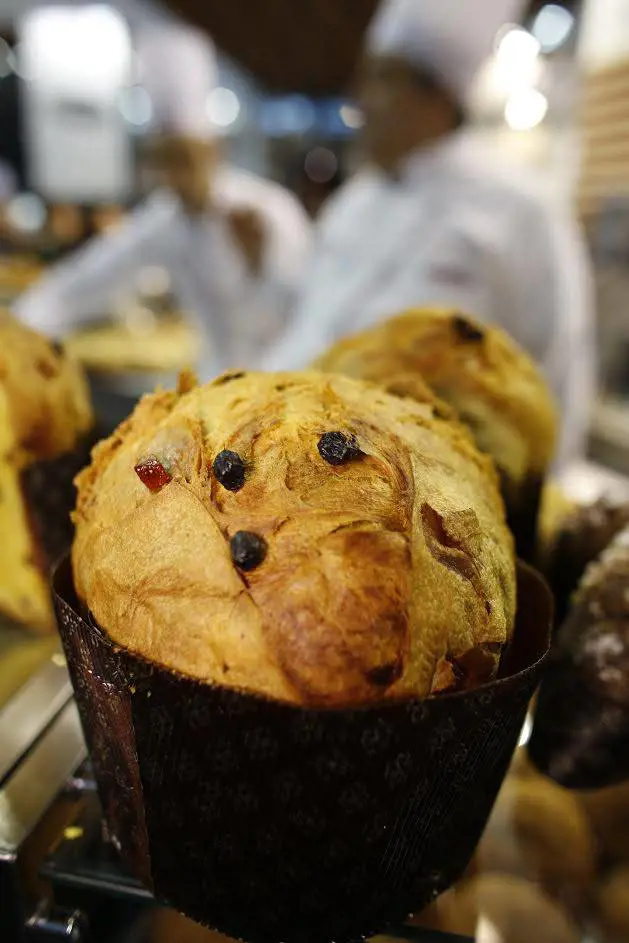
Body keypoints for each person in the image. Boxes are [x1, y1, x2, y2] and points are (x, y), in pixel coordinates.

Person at [263, 0, 596, 468]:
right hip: (288, 456)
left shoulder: (520, 208)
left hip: (429, 481)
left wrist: (544, 492)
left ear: (436, 96)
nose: (359, 101)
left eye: (381, 78)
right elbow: (305, 319)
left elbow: (559, 364)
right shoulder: (354, 202)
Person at [14, 22, 312, 379]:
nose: (177, 175)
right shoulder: (166, 220)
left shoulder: (270, 209)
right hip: (212, 382)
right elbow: (85, 282)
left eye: (185, 158)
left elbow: (307, 309)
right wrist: (16, 330)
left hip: (287, 380)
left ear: (215, 149)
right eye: (166, 160)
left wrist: (256, 266)